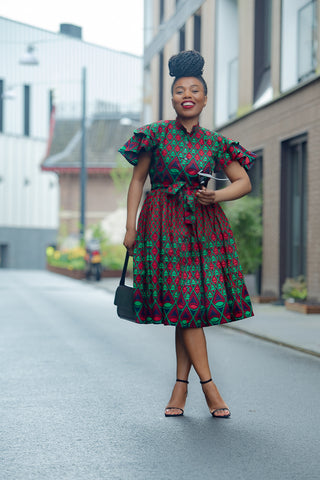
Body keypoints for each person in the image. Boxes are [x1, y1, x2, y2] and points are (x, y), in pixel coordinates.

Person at [119, 50, 256, 418]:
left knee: (188, 307)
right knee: (186, 306)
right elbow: (137, 182)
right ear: (173, 97)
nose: (187, 94)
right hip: (162, 227)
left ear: (205, 98)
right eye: (180, 90)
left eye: (195, 89)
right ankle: (209, 389)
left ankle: (181, 389)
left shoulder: (215, 142)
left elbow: (243, 182)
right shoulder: (155, 134)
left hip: (203, 228)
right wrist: (130, 226)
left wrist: (217, 194)